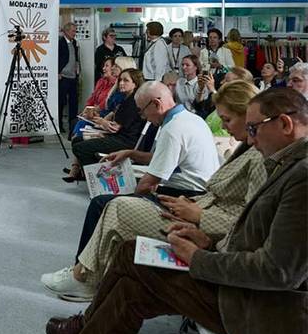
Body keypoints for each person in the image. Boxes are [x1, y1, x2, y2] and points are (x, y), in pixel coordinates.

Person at [45, 88, 308, 334]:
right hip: (235, 278)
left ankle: (84, 318)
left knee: (131, 263)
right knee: (130, 271)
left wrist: (199, 257)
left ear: (285, 125)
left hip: (250, 302)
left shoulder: (299, 176)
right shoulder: (286, 164)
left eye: (254, 129)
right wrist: (207, 242)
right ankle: (85, 325)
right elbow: (254, 233)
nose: (251, 138)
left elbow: (277, 271)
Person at [42, 81, 265, 302]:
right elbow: (163, 160)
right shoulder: (190, 120)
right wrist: (131, 154)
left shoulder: (176, 129)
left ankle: (83, 275)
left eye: (142, 111)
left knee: (108, 204)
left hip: (193, 201)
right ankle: (85, 272)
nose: (143, 117)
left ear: (156, 104)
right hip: (197, 200)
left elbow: (248, 219)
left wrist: (198, 215)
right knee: (113, 205)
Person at [63, 69, 147, 182]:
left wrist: (100, 121)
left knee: (80, 148)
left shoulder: (132, 102)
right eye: (120, 80)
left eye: (126, 80)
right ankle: (87, 173)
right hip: (119, 137)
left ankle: (98, 179)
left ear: (135, 84)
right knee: (77, 140)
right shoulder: (126, 99)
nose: (121, 83)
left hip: (125, 141)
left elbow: (114, 128)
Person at [58, 22, 80, 134]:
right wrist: (57, 72)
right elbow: (56, 58)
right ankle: (59, 125)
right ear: (66, 31)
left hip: (73, 77)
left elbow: (75, 58)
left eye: (75, 31)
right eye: (73, 31)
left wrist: (78, 69)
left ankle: (73, 125)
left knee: (74, 102)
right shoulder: (60, 43)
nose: (74, 33)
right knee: (61, 102)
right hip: (63, 77)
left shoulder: (74, 42)